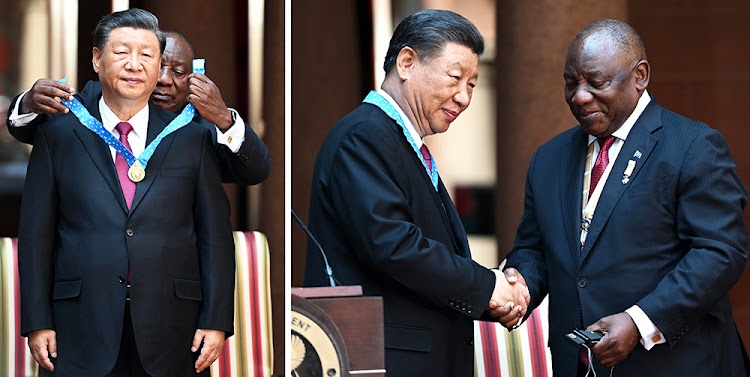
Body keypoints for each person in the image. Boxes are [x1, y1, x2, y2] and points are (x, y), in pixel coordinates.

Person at [500, 19, 749, 376]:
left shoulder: (693, 145)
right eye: (571, 84)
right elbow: (533, 248)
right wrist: (518, 286)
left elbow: (720, 252)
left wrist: (639, 321)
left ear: (640, 76)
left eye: (596, 82)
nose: (580, 96)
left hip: (675, 364)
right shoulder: (548, 158)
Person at [303, 9, 529, 376]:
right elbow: (394, 245)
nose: (464, 97)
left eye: (472, 84)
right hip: (382, 361)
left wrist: (491, 293)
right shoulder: (364, 136)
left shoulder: (402, 142)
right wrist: (488, 285)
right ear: (407, 62)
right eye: (455, 77)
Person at [16, 8, 235, 377]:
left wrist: (216, 319)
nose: (135, 64)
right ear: (97, 59)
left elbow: (214, 237)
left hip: (173, 329)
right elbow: (36, 234)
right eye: (121, 53)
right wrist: (38, 321)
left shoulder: (191, 135)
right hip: (79, 327)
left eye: (147, 55)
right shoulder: (59, 132)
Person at [6, 32, 270, 186]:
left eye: (178, 72)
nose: (164, 79)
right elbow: (30, 131)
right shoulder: (90, 105)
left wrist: (224, 118)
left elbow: (255, 172)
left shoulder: (200, 129)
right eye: (157, 65)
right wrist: (29, 103)